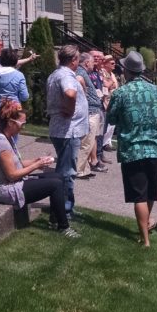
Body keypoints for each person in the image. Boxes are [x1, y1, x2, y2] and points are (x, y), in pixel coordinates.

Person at [0, 100, 79, 238]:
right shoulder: (1, 143)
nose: (23, 128)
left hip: (16, 183)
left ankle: (55, 220)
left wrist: (37, 160)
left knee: (58, 177)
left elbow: (18, 163)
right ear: (10, 123)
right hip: (8, 190)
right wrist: (36, 166)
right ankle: (63, 226)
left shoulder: (8, 138)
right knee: (55, 184)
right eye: (22, 124)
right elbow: (12, 175)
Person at [106, 51, 157, 247]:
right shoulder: (155, 91)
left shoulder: (121, 93)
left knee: (139, 195)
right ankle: (145, 227)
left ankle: (145, 240)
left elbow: (111, 119)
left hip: (132, 149)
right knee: (149, 194)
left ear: (126, 70)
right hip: (154, 148)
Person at [46, 45, 89, 218]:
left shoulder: (56, 73)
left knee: (64, 171)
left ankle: (66, 206)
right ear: (73, 60)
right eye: (78, 59)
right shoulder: (66, 75)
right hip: (67, 131)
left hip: (62, 129)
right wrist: (70, 111)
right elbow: (70, 94)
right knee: (66, 173)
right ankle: (63, 211)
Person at [0, 47, 31, 140]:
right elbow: (24, 96)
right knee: (12, 137)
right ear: (15, 60)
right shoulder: (19, 75)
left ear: (1, 60)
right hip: (13, 108)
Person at [75, 53, 105, 179]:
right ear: (87, 62)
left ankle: (84, 168)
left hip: (93, 110)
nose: (94, 64)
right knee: (86, 142)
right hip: (90, 112)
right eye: (92, 62)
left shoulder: (83, 73)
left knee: (90, 141)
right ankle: (78, 170)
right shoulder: (80, 73)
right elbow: (78, 85)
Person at [99, 54, 119, 157]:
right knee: (104, 125)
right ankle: (102, 145)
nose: (114, 65)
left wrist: (111, 83)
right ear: (105, 64)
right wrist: (111, 83)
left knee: (111, 125)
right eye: (112, 63)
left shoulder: (112, 74)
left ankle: (107, 142)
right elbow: (106, 85)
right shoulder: (102, 72)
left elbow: (115, 86)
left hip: (112, 102)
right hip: (105, 101)